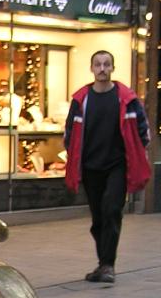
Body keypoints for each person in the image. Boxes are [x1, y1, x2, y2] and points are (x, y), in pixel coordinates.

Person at [64, 50, 150, 285]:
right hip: (90, 167)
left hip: (117, 166)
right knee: (98, 219)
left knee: (112, 211)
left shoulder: (126, 98)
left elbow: (143, 131)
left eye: (106, 64)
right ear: (92, 68)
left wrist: (137, 154)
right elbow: (70, 133)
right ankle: (103, 263)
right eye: (98, 64)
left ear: (113, 68)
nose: (102, 68)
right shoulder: (81, 100)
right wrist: (74, 158)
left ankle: (108, 265)